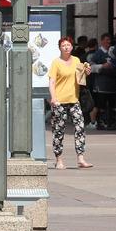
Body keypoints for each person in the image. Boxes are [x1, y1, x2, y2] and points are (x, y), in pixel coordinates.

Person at [48, 37, 92, 169]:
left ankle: (81, 158)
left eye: (68, 45)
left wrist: (86, 72)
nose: (66, 47)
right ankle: (59, 159)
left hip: (74, 100)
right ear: (60, 48)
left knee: (80, 128)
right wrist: (53, 98)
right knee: (58, 131)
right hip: (59, 101)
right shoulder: (56, 63)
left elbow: (80, 80)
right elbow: (52, 82)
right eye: (63, 45)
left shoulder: (77, 60)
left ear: (72, 47)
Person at [87, 32, 116, 129]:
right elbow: (90, 67)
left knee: (113, 105)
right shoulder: (97, 54)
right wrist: (102, 66)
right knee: (101, 106)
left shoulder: (113, 53)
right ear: (102, 41)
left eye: (109, 40)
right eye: (106, 40)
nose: (108, 42)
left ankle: (112, 123)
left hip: (113, 84)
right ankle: (101, 123)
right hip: (101, 85)